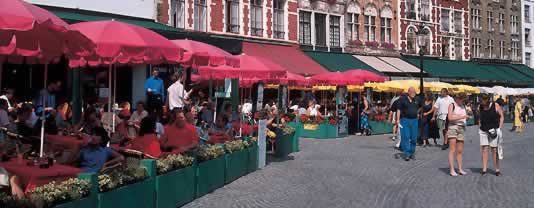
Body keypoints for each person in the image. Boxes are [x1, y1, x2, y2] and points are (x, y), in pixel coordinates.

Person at [478, 94, 504, 176]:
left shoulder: (495, 105)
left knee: (494, 150)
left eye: (481, 100)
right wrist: (479, 126)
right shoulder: (480, 107)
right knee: (484, 149)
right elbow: (479, 117)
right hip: (483, 130)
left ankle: (497, 169)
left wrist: (500, 127)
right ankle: (484, 169)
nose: (480, 102)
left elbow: (502, 116)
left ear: (486, 100)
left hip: (494, 130)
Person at [396, 87, 421, 161]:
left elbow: (421, 106)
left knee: (414, 138)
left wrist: (418, 112)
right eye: (412, 92)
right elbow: (398, 110)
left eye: (414, 92)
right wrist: (397, 120)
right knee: (406, 137)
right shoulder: (402, 99)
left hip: (414, 120)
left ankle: (412, 152)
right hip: (405, 120)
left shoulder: (417, 99)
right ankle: (407, 153)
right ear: (408, 92)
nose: (413, 93)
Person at [447, 93, 469, 176]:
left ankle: (460, 169)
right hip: (453, 127)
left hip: (461, 127)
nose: (463, 102)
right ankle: (452, 169)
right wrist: (462, 117)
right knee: (452, 149)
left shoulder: (463, 106)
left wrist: (464, 117)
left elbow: (460, 116)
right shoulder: (452, 105)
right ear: (458, 99)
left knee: (460, 150)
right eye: (463, 100)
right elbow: (450, 118)